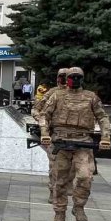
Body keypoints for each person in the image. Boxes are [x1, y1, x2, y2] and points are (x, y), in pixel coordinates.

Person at [41, 66, 111, 221]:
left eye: (78, 77)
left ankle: (79, 206)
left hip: (83, 142)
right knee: (60, 180)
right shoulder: (57, 95)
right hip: (61, 142)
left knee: (85, 176)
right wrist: (45, 133)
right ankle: (59, 213)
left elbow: (102, 117)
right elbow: (45, 115)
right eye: (72, 77)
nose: (74, 80)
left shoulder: (90, 97)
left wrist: (105, 137)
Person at [33, 68, 68, 199]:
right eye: (61, 76)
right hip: (56, 135)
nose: (64, 79)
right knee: (55, 167)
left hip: (78, 137)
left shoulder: (83, 95)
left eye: (66, 76)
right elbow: (37, 110)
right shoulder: (52, 93)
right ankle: (53, 192)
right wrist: (44, 125)